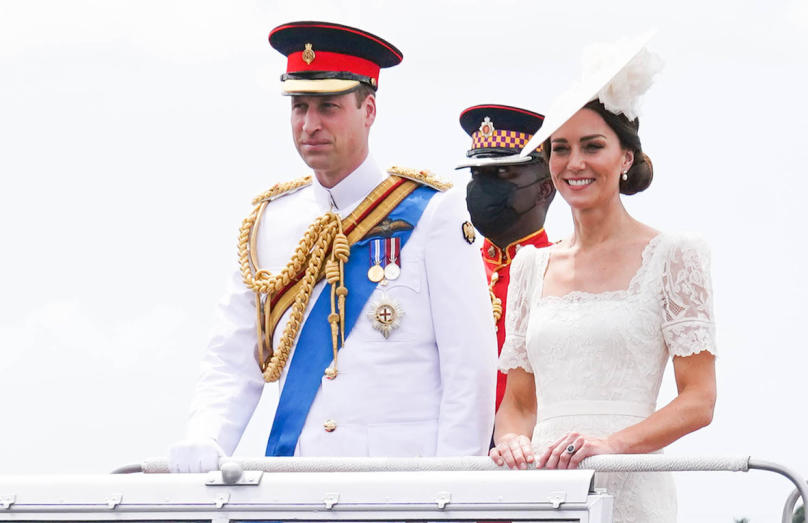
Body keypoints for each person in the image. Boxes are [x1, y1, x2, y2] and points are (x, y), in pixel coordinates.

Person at [168, 21, 497, 473]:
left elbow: (470, 372)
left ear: (369, 110)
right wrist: (206, 436)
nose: (310, 125)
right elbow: (232, 354)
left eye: (328, 107)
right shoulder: (268, 222)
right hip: (297, 483)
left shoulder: (434, 214)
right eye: (299, 107)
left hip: (397, 492)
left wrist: (450, 494)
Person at [488, 35, 718, 522]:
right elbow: (519, 404)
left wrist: (611, 446)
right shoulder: (531, 267)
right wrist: (510, 442)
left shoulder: (674, 255)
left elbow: (699, 400)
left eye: (592, 146)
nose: (575, 163)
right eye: (561, 149)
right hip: (548, 493)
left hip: (632, 487)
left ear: (626, 157)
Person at [456, 104, 555, 411]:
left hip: (532, 450)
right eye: (478, 174)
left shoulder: (561, 271)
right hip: (455, 450)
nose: (484, 187)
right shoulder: (455, 268)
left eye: (502, 173)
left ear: (544, 189)